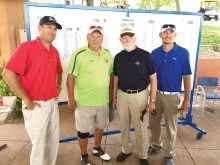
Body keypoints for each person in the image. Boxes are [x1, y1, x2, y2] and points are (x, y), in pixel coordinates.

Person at [2, 16, 63, 165]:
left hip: (52, 104)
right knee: (39, 145)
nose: (52, 31)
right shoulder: (27, 48)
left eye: (55, 29)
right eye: (49, 27)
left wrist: (58, 86)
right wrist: (26, 100)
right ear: (39, 28)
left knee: (53, 142)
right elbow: (7, 73)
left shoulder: (54, 51)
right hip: (35, 106)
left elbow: (59, 72)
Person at [66, 23, 113, 165]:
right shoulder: (78, 54)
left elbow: (110, 75)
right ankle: (84, 155)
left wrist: (111, 95)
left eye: (98, 36)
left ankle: (97, 149)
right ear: (87, 37)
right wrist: (70, 99)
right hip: (84, 102)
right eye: (92, 36)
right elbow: (70, 77)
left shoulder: (107, 53)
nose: (95, 39)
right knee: (83, 131)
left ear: (102, 38)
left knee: (100, 126)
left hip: (103, 101)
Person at [112, 22, 157, 165]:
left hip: (140, 96)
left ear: (135, 38)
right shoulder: (118, 57)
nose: (127, 40)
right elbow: (116, 78)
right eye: (124, 37)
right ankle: (126, 150)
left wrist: (152, 100)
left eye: (129, 36)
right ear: (120, 40)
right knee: (124, 125)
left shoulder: (145, 55)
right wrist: (114, 97)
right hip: (122, 95)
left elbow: (153, 78)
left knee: (141, 127)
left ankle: (143, 155)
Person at [148, 24, 192, 165]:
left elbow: (186, 77)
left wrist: (186, 99)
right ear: (160, 35)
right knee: (154, 124)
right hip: (156, 96)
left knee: (171, 127)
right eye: (164, 32)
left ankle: (168, 154)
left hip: (172, 97)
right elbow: (150, 77)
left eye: (171, 32)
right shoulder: (154, 53)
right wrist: (149, 97)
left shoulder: (183, 53)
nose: (168, 35)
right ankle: (155, 145)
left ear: (175, 35)